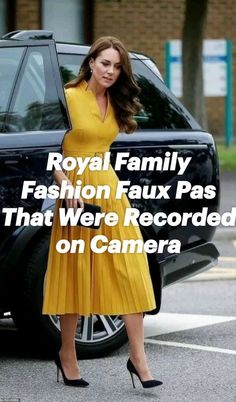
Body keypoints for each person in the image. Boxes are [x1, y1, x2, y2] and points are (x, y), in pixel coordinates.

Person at [42, 36, 162, 389]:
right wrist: (65, 185)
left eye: (117, 66)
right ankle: (67, 355)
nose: (110, 71)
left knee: (132, 270)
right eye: (105, 63)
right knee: (76, 274)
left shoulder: (114, 101)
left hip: (109, 194)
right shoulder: (67, 97)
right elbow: (51, 151)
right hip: (76, 197)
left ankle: (138, 358)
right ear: (91, 62)